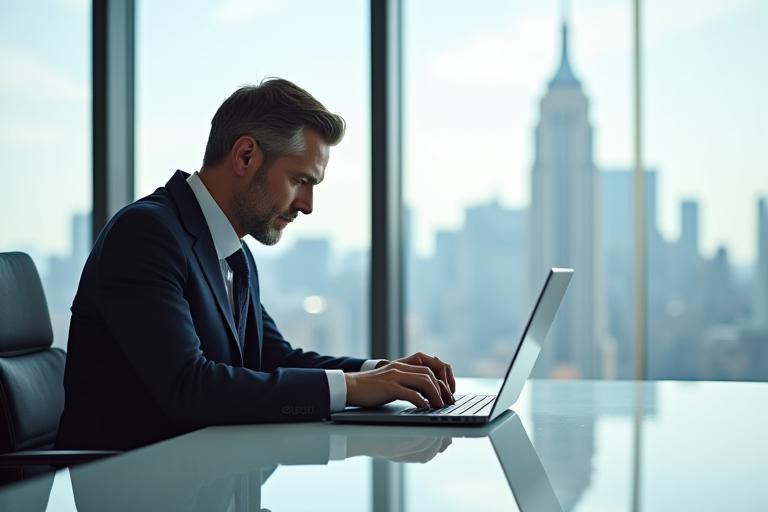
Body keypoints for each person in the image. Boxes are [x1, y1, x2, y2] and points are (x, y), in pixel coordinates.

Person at [57, 78, 455, 450]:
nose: (307, 206)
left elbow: (273, 358)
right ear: (245, 156)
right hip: (132, 487)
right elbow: (189, 388)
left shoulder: (234, 252)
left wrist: (380, 372)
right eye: (300, 180)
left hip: (206, 473)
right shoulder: (146, 234)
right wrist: (353, 388)